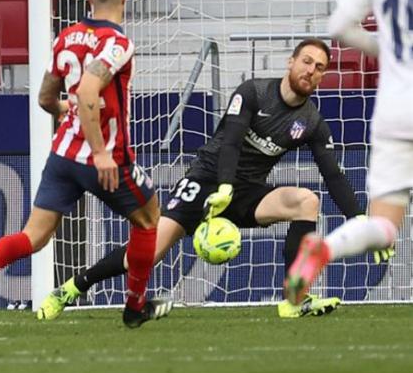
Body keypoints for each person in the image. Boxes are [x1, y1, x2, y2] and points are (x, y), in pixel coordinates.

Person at [39, 38, 365, 320]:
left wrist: (359, 219)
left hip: (247, 193)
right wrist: (223, 185)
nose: (311, 70)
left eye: (319, 67)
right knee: (145, 253)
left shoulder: (311, 122)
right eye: (306, 61)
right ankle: (71, 288)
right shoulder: (254, 92)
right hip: (208, 180)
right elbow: (232, 142)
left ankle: (295, 300)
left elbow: (332, 173)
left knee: (306, 202)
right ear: (291, 62)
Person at [0, 0, 173, 334]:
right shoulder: (118, 44)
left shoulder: (66, 37)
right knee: (148, 218)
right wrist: (101, 152)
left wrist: (65, 109)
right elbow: (90, 89)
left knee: (33, 236)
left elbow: (46, 96)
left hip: (63, 155)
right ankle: (134, 307)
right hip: (105, 157)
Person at [284, 0, 412, 303]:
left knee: (384, 226)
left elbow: (339, 25)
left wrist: (384, 48)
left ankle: (322, 250)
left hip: (394, 109)